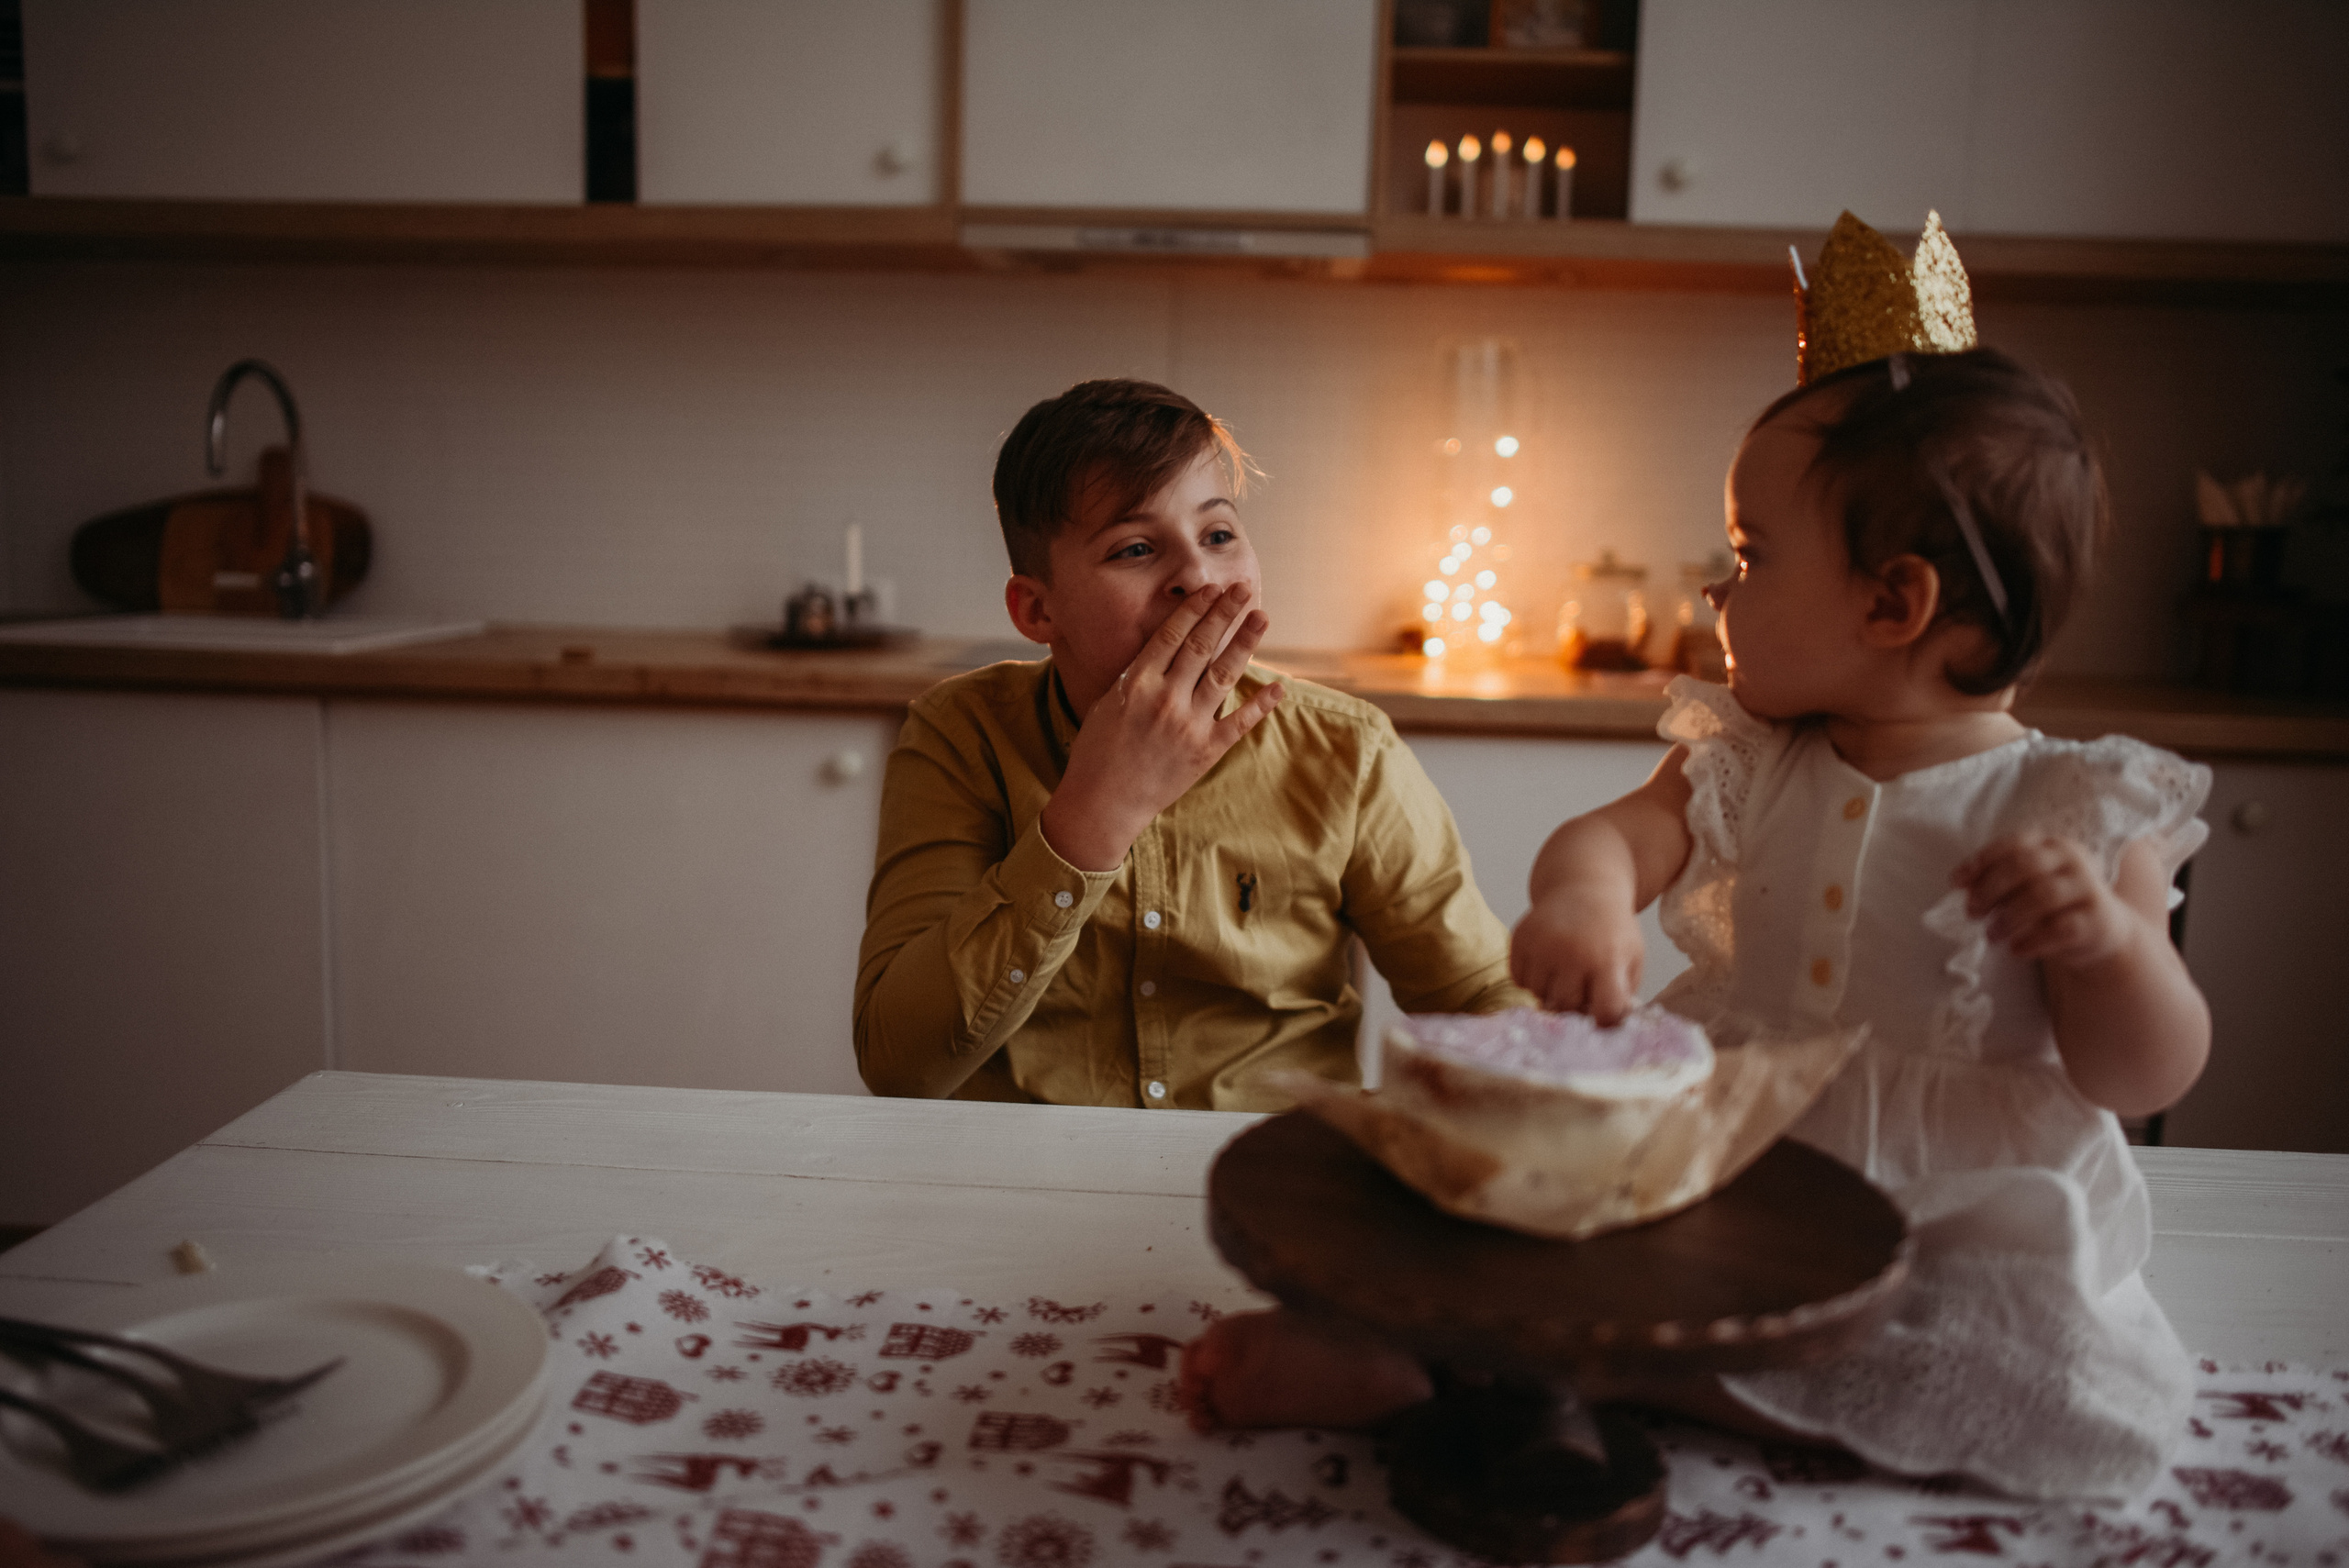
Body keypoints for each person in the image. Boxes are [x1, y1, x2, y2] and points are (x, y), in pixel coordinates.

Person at [1186, 343, 2212, 1502]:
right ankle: (1486, 1355)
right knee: (1534, 1240)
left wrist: (2111, 949)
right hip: (1721, 1167)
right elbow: (1610, 837)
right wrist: (1583, 902)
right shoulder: (1751, 758)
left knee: (2054, 1385)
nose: (1716, 592)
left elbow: (2142, 1072)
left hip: (1943, 1220)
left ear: (1892, 600)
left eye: (1748, 554)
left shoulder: (2076, 804)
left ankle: (1497, 1374)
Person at [854, 378, 1531, 1109]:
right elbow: (900, 1064)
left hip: (1274, 1173)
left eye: (1218, 535)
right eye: (1136, 548)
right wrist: (1098, 810)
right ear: (1037, 608)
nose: (1198, 577)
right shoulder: (960, 734)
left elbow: (1478, 992)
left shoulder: (1347, 749)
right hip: (1021, 1175)